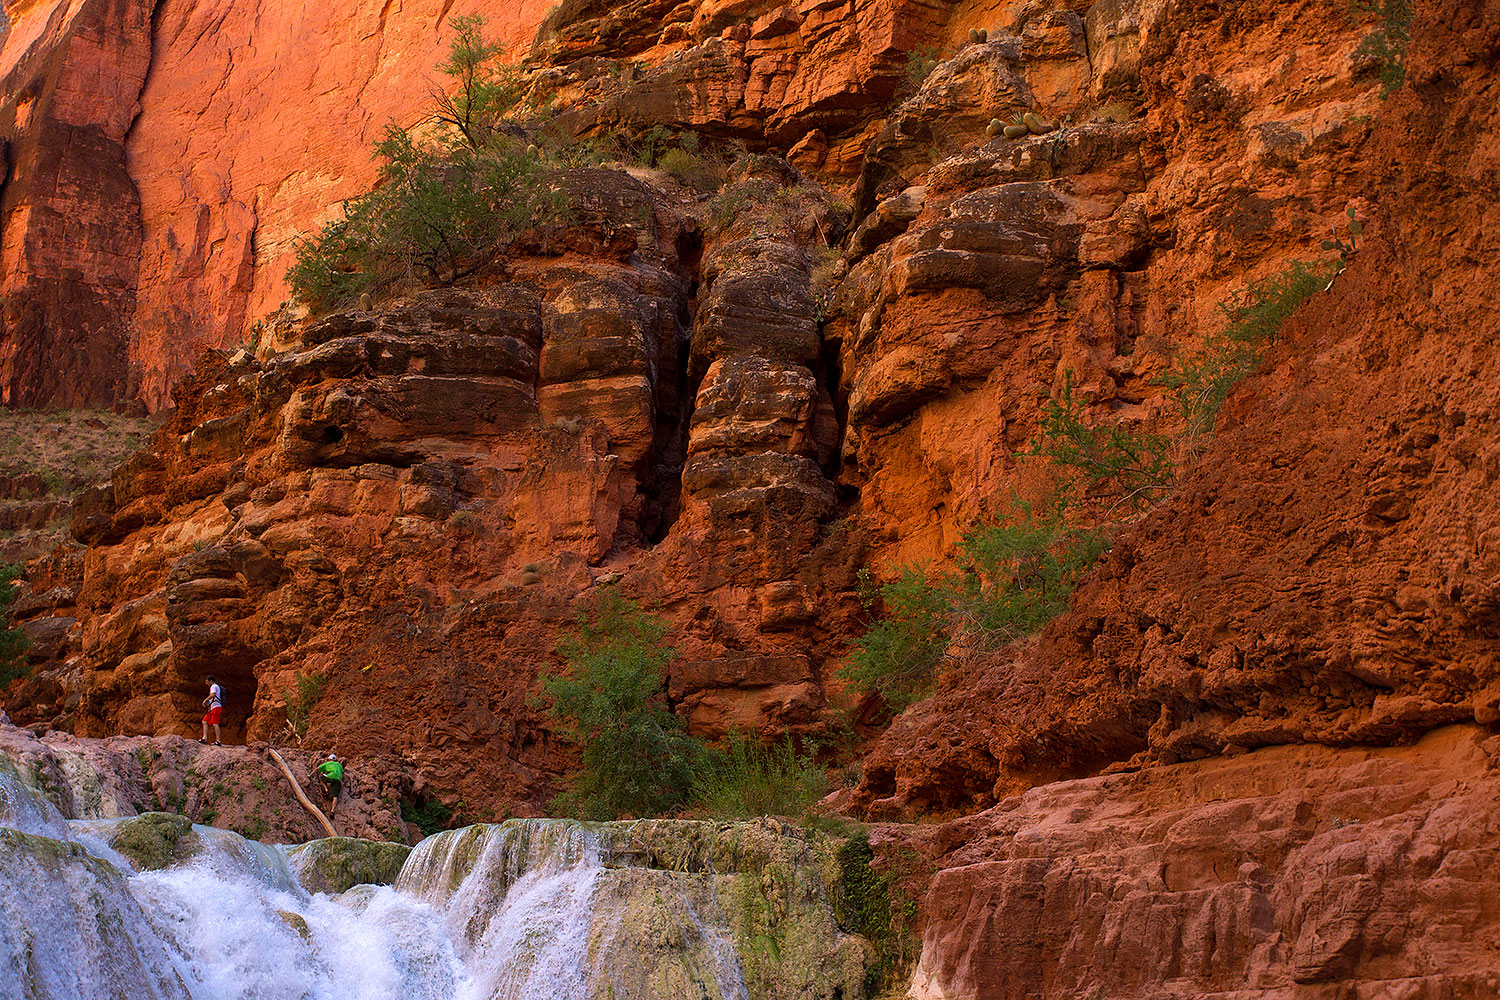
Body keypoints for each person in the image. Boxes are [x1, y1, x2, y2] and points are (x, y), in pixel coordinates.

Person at [200, 676, 222, 745]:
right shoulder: (214, 686)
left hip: (216, 707)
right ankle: (204, 738)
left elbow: (213, 694)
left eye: (207, 681)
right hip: (213, 708)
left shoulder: (214, 686)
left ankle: (218, 741)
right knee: (205, 721)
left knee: (215, 723)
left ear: (210, 681)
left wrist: (205, 700)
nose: (206, 683)